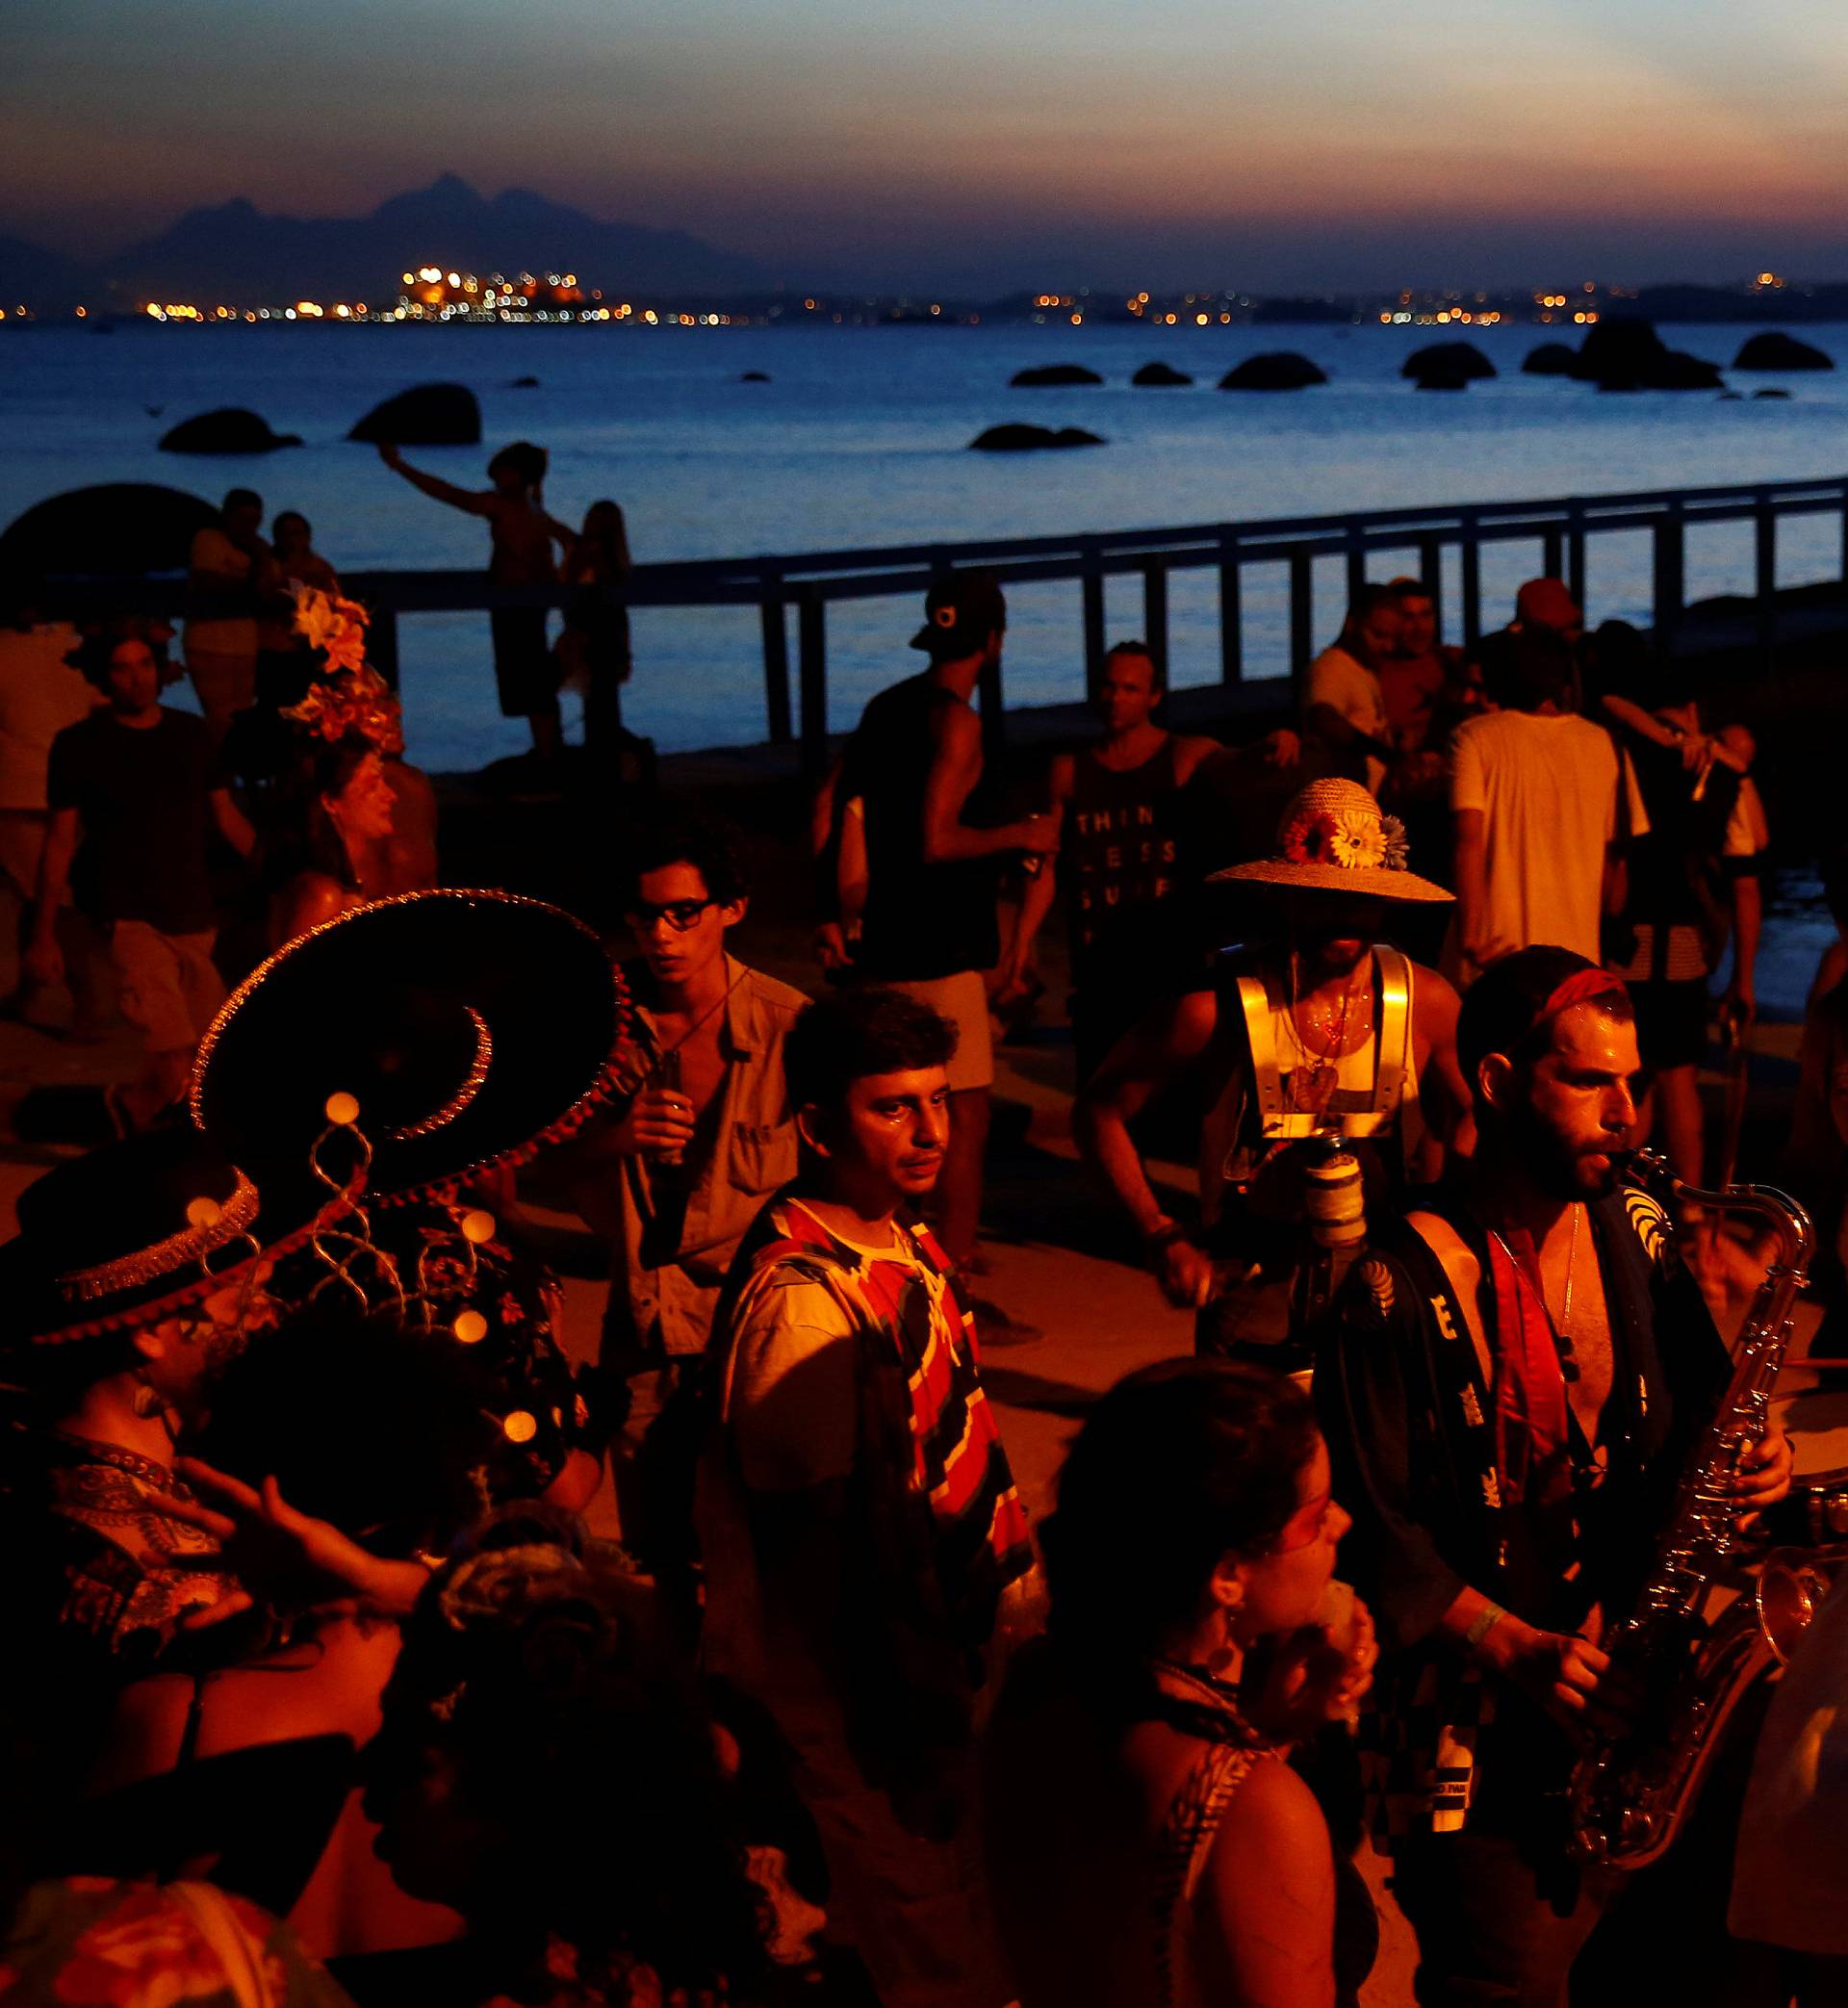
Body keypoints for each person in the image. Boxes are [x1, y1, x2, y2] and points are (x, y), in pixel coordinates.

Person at [1317, 947, 1791, 2005]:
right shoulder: (1393, 1284)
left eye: (1632, 1082)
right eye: (1590, 1082)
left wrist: (1762, 1456)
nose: (1628, 1113)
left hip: (1643, 1691)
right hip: (1475, 1725)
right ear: (1493, 1083)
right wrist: (1516, 1645)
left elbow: (1715, 1412)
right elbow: (1366, 1525)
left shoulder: (1641, 1226)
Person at [698, 987, 1038, 2008]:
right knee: (947, 1968)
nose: (931, 1130)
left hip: (957, 1669)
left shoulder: (904, 1240)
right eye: (893, 1107)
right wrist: (906, 1736)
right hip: (884, 1705)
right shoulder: (805, 1306)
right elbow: (823, 1568)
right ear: (815, 1125)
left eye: (937, 1100)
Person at [988, 1358, 1377, 2008]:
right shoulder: (1253, 1811)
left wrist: (1271, 1728)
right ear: (1228, 1574)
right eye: (1315, 1517)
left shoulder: (1038, 1683)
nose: (1343, 1524)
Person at [1075, 780, 1468, 1376]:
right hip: (1251, 1314)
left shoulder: (1427, 1004)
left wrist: (1441, 1224)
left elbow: (1477, 1118)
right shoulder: (1213, 1010)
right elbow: (1098, 1111)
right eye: (1325, 896)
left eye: (1359, 897)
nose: (1343, 914)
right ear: (1284, 895)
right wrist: (1161, 1234)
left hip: (1392, 1312)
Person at [560, 814, 805, 1573]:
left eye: (683, 914)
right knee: (660, 1561)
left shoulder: (790, 1029)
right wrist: (614, 1136)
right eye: (646, 916)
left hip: (761, 1333)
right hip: (645, 1329)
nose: (662, 935)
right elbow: (535, 1169)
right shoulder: (594, 1027)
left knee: (773, 1558)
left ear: (731, 909)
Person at [813, 572, 1057, 1300]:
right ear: (993, 641)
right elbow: (938, 840)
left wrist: (833, 906)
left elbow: (831, 806)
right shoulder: (958, 722)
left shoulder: (884, 708)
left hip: (881, 942)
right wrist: (1022, 831)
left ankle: (884, 1253)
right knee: (961, 1117)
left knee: (884, 1109)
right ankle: (949, 1279)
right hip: (941, 949)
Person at [29, 625, 255, 1131]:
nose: (136, 679)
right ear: (103, 679)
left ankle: (131, 1109)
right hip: (127, 916)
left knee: (206, 1053)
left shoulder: (191, 735)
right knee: (173, 1052)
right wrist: (43, 935)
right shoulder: (78, 745)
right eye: (122, 668)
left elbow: (229, 819)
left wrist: (280, 874)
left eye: (145, 665)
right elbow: (60, 842)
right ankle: (185, 1159)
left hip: (194, 913)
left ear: (160, 669)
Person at [993, 638, 1219, 1083]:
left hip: (1167, 958)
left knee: (1169, 1093)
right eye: (1108, 687)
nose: (1115, 698)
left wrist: (1282, 737)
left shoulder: (1184, 757)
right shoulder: (1069, 772)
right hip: (1099, 963)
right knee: (1100, 1090)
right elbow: (1047, 863)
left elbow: (1250, 766)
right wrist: (1019, 944)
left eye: (1130, 689)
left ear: (1154, 696)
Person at [1600, 630, 1766, 1193]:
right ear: (1693, 709)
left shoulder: (1631, 754)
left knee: (1630, 1078)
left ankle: (1623, 1201)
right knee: (1680, 1081)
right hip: (1689, 942)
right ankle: (1695, 1207)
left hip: (1629, 938)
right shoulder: (1723, 777)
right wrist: (1742, 977)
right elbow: (1746, 882)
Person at [1450, 625, 1647, 979]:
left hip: (1495, 953)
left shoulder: (1473, 738)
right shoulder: (1605, 744)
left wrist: (1469, 937)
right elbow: (1617, 864)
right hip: (1577, 958)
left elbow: (1469, 841)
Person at [377, 440, 574, 760]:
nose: (496, 481)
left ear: (518, 475)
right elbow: (568, 540)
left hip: (516, 605)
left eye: (503, 474)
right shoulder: (535, 507)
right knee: (537, 682)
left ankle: (547, 755)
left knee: (530, 684)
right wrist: (557, 581)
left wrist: (400, 467)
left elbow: (448, 494)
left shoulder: (505, 506)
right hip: (530, 604)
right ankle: (548, 751)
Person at [0, 585, 101, 1024]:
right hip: (73, 786)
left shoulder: (4, 652)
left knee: (49, 897)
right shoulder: (76, 650)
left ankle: (85, 1000)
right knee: (44, 891)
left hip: (17, 789)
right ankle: (28, 993)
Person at [268, 734, 398, 945]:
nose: (391, 795)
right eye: (373, 786)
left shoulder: (363, 878)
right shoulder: (322, 897)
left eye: (385, 782)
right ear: (330, 802)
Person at [185, 487, 270, 737]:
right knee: (220, 720)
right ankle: (219, 774)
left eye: (254, 520)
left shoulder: (258, 548)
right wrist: (252, 585)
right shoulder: (208, 539)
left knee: (242, 719)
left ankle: (235, 772)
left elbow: (270, 587)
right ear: (227, 516)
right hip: (209, 644)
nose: (247, 526)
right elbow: (208, 581)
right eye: (241, 518)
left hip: (245, 644)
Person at [1301, 584, 1400, 791]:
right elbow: (1323, 718)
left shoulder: (1364, 668)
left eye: (1393, 638)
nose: (1388, 646)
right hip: (1346, 795)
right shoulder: (1331, 668)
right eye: (1378, 635)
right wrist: (1378, 751)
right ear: (1351, 624)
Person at [556, 496, 633, 756]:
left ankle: (603, 757)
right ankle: (607, 757)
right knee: (603, 701)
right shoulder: (615, 559)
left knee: (597, 701)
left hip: (589, 634)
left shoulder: (586, 553)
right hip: (606, 634)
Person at [255, 509, 342, 708]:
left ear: (308, 536)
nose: (293, 540)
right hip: (271, 650)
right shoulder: (268, 566)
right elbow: (264, 598)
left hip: (308, 652)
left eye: (298, 533)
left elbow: (334, 607)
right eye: (287, 534)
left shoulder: (320, 568)